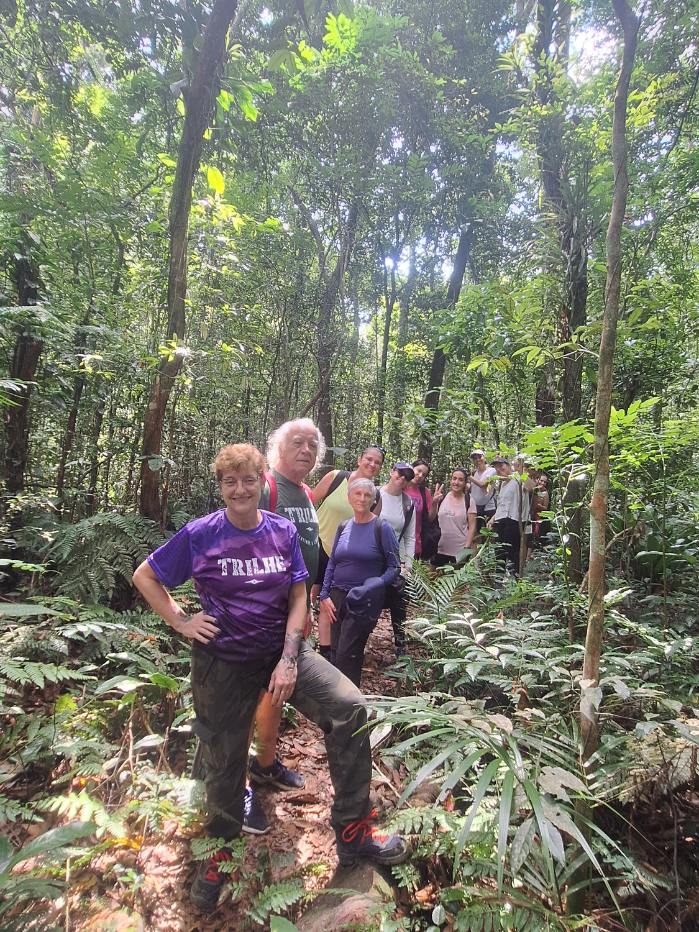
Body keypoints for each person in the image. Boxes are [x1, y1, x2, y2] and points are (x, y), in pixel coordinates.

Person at [133, 444, 408, 912]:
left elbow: (299, 595)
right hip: (223, 663)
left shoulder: (280, 531)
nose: (240, 490)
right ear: (220, 486)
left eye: (248, 480)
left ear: (263, 482)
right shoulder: (202, 533)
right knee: (223, 756)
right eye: (229, 481)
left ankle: (354, 830)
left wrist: (287, 658)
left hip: (282, 651)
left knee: (349, 707)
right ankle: (218, 850)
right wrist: (181, 621)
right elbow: (146, 576)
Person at [242, 418, 323, 831]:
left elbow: (306, 552)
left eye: (313, 444)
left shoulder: (307, 493)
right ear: (277, 448)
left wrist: (309, 602)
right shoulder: (266, 485)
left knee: (274, 694)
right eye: (297, 442)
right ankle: (235, 788)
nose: (306, 450)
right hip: (257, 617)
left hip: (292, 616)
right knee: (244, 699)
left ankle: (265, 765)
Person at [319, 478, 401, 686]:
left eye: (367, 495)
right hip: (337, 597)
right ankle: (338, 703)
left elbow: (394, 567)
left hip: (363, 601)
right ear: (349, 497)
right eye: (357, 494)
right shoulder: (343, 526)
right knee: (336, 652)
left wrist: (376, 584)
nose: (362, 499)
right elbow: (333, 563)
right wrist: (324, 595)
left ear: (373, 499)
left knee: (348, 654)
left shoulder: (382, 528)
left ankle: (351, 708)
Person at [311, 444, 385, 657]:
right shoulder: (336, 477)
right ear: (360, 459)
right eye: (369, 459)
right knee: (306, 598)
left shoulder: (375, 496)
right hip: (317, 545)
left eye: (377, 462)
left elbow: (370, 526)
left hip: (343, 556)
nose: (372, 464)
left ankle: (326, 652)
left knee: (329, 604)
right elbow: (308, 504)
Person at [379, 463, 416, 655]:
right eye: (400, 473)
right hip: (374, 556)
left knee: (399, 603)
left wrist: (408, 567)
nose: (402, 478)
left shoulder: (408, 504)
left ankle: (400, 644)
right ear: (391, 472)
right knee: (371, 599)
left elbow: (410, 537)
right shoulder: (375, 494)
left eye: (407, 477)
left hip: (396, 559)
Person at [488, 456, 536, 577]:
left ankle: (515, 580)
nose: (499, 470)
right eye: (496, 468)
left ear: (508, 466)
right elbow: (501, 506)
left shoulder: (518, 479)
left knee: (513, 552)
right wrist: (492, 519)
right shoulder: (503, 485)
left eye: (501, 467)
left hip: (513, 521)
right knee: (499, 553)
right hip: (500, 521)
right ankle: (498, 582)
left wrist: (520, 471)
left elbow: (532, 487)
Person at [431, 467, 477, 568]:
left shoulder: (469, 501)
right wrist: (434, 502)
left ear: (465, 483)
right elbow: (432, 519)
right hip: (439, 547)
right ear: (450, 480)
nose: (456, 482)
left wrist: (466, 548)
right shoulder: (441, 498)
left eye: (461, 480)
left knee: (455, 582)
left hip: (459, 550)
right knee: (432, 580)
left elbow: (472, 527)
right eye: (454, 478)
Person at [406, 459, 441, 561]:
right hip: (395, 542)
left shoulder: (424, 492)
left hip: (415, 544)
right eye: (418, 471)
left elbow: (430, 519)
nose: (420, 475)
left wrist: (434, 502)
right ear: (411, 468)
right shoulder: (399, 488)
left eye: (424, 474)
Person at [469, 449, 497, 538]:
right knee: (476, 533)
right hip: (475, 507)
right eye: (475, 458)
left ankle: (491, 551)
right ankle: (476, 552)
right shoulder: (474, 473)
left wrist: (467, 476)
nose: (477, 460)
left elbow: (482, 484)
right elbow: (472, 488)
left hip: (488, 506)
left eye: (479, 457)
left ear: (484, 458)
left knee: (489, 533)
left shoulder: (492, 471)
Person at [527, 472, 551, 560]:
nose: (542, 483)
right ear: (537, 480)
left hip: (536, 515)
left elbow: (545, 508)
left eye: (545, 482)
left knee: (532, 533)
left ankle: (528, 555)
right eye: (541, 480)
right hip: (527, 512)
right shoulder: (532, 488)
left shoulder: (545, 492)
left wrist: (537, 504)